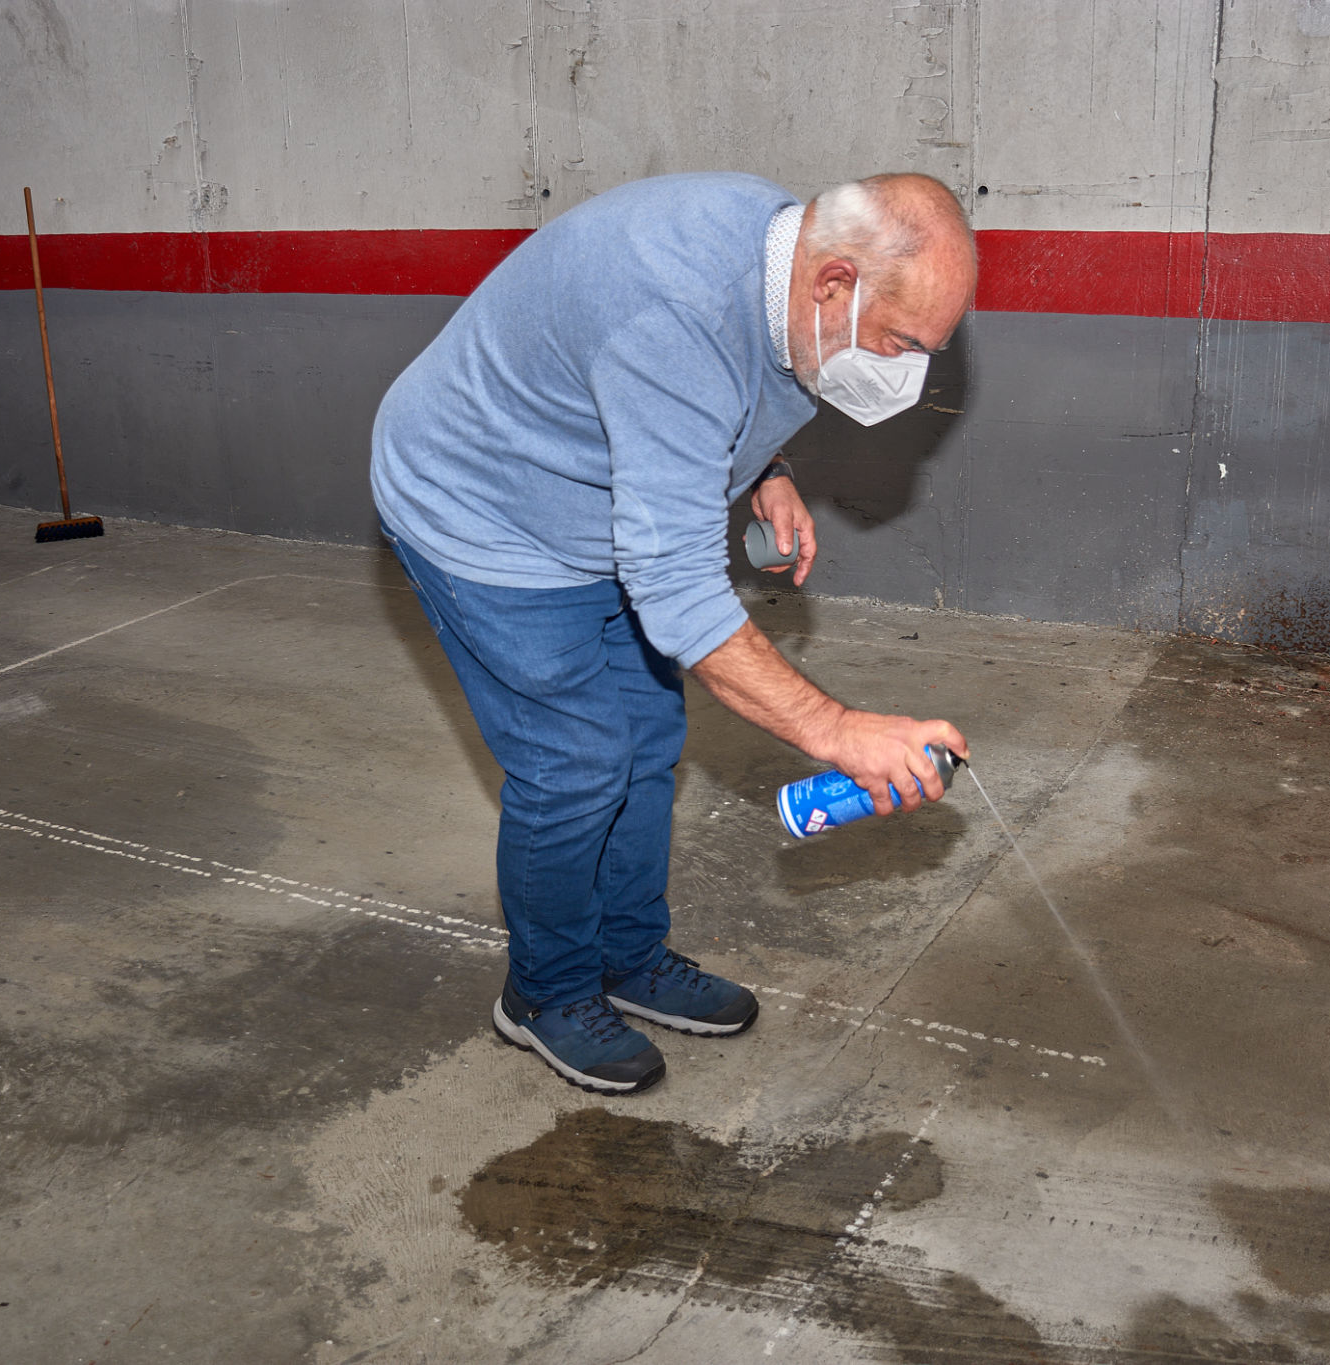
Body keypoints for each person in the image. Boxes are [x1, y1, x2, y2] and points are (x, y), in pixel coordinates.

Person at [371, 171, 976, 1094]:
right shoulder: (672, 312)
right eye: (900, 343)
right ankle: (544, 990)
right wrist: (837, 729)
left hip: (594, 501)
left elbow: (724, 380)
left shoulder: (787, 254)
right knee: (576, 763)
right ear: (835, 284)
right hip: (481, 510)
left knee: (649, 737)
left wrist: (767, 467)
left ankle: (625, 954)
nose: (906, 372)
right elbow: (680, 589)